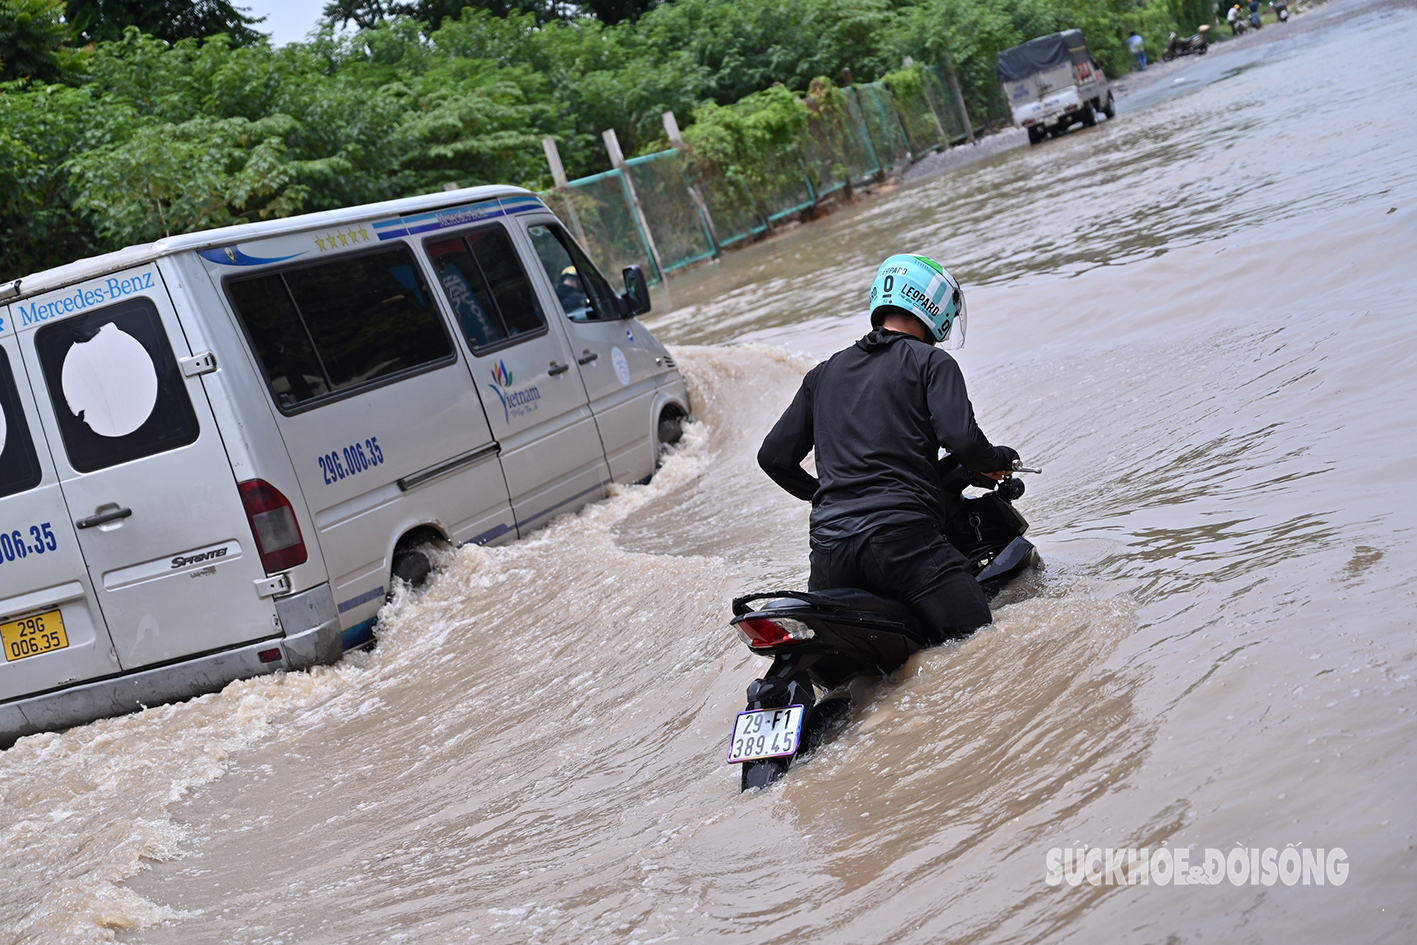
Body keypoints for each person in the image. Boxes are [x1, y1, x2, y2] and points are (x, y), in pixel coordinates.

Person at [757, 255, 1018, 644]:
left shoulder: (823, 374)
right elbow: (962, 441)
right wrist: (998, 459)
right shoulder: (932, 362)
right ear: (937, 310)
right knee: (981, 644)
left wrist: (829, 499)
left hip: (831, 555)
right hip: (905, 545)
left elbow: (773, 458)